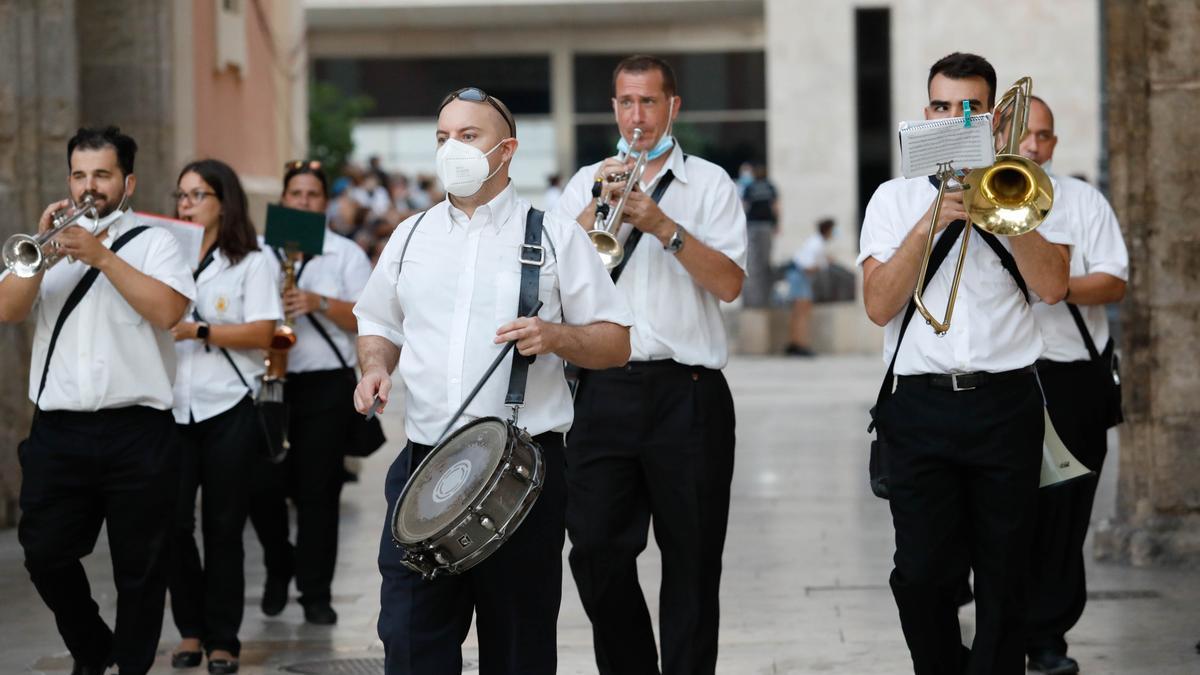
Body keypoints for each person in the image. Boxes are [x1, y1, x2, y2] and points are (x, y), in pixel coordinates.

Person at [354, 86, 632, 675]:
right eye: (442, 137)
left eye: (468, 136)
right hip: (425, 464)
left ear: (506, 151)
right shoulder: (409, 236)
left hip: (522, 469)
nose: (450, 149)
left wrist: (556, 337)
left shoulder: (556, 234)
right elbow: (378, 322)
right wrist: (376, 366)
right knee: (408, 640)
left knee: (518, 650)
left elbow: (615, 342)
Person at [858, 53, 1073, 674]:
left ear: (992, 115)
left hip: (1006, 404)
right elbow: (878, 306)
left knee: (1007, 573)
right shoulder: (894, 199)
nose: (955, 119)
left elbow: (1055, 287)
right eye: (943, 107)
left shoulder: (1022, 183)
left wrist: (1005, 208)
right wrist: (935, 218)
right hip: (920, 405)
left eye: (970, 108)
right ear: (926, 114)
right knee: (921, 574)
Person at [551, 54, 747, 675]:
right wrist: (594, 208)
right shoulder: (585, 179)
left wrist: (663, 225)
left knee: (692, 564)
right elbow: (547, 279)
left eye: (649, 103)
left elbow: (731, 284)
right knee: (596, 555)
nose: (637, 117)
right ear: (613, 108)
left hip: (688, 393)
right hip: (602, 390)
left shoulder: (711, 184)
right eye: (626, 103)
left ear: (673, 107)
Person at [0, 126, 196, 675]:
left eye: (102, 175)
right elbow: (9, 310)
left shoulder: (156, 242)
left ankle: (131, 667)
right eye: (80, 175)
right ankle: (93, 648)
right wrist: (37, 256)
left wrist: (102, 257)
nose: (90, 187)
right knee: (43, 552)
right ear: (69, 179)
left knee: (142, 566)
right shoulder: (49, 247)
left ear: (127, 181)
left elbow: (167, 313)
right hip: (59, 430)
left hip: (138, 430)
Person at [1019, 96, 1128, 675]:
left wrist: (1053, 285)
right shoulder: (974, 203)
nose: (1036, 146)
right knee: (998, 509)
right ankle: (1000, 622)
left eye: (1046, 137)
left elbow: (1113, 281)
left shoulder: (1083, 201)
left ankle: (1047, 635)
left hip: (1069, 378)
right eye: (1026, 135)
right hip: (1005, 378)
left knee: (1064, 515)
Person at [166, 159, 283, 674]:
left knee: (223, 527)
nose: (186, 204)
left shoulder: (251, 261)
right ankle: (190, 628)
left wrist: (201, 332)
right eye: (181, 195)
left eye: (197, 195)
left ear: (223, 201)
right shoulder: (163, 255)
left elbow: (264, 333)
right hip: (171, 407)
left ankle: (223, 639)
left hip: (226, 406)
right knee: (171, 526)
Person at [247, 159, 373, 625]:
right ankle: (279, 566)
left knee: (319, 493)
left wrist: (316, 302)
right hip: (270, 382)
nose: (303, 202)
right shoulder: (259, 251)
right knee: (262, 488)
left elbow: (366, 316)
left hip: (323, 385)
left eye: (312, 196)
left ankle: (316, 592)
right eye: (295, 195)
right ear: (283, 201)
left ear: (325, 203)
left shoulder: (344, 253)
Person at [784, 218, 835, 356]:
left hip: (798, 275)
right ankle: (801, 345)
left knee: (798, 312)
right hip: (800, 275)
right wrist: (825, 264)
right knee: (802, 312)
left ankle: (795, 343)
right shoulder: (817, 244)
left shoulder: (816, 242)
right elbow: (808, 267)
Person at [741, 162, 779, 308]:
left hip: (753, 225)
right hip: (766, 225)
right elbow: (776, 207)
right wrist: (777, 224)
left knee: (753, 262)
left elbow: (744, 206)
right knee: (764, 261)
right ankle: (762, 298)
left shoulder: (750, 187)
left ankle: (756, 299)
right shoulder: (770, 187)